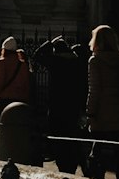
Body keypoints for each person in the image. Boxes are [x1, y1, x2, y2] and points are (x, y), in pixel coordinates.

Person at [32, 34, 85, 172]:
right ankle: (71, 166)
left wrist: (50, 42)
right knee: (71, 138)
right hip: (72, 108)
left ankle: (63, 165)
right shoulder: (76, 62)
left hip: (56, 107)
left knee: (58, 139)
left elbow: (37, 55)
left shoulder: (56, 62)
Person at [85, 24, 119, 179]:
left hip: (101, 113)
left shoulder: (95, 61)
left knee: (98, 150)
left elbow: (94, 89)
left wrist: (90, 112)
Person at [0, 36, 31, 120]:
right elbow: (26, 84)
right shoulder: (23, 65)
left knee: (5, 126)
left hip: (5, 100)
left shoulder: (2, 62)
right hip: (19, 101)